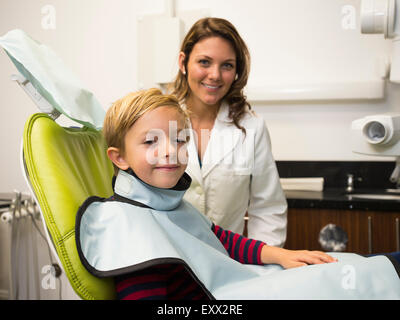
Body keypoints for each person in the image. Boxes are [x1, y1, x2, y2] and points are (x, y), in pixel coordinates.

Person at [76, 88, 400, 300]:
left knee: (351, 267)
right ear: (119, 157)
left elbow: (219, 239)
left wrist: (282, 255)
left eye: (179, 139)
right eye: (150, 142)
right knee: (359, 279)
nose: (170, 152)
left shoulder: (168, 205)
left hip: (245, 280)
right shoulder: (129, 228)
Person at [169, 17, 287, 247]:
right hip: (168, 261)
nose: (215, 75)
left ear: (236, 72)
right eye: (204, 62)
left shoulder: (252, 127)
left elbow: (268, 209)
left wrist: (260, 268)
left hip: (228, 263)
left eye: (227, 65)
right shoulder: (156, 121)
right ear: (183, 62)